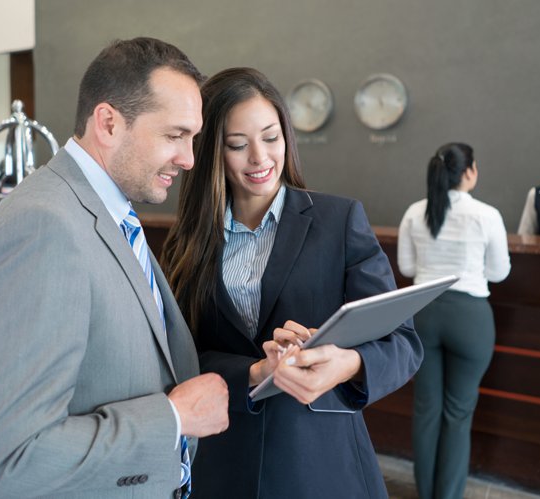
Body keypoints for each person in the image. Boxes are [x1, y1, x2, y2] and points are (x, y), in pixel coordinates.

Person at [0, 38, 229, 498]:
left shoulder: (108, 211)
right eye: (174, 135)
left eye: (192, 138)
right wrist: (173, 418)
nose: (188, 159)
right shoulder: (42, 226)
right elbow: (15, 458)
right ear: (108, 123)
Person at [161, 67, 423, 499]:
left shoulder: (337, 221)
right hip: (226, 461)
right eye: (238, 145)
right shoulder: (187, 244)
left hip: (321, 462)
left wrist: (347, 363)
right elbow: (182, 358)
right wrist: (254, 371)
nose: (260, 158)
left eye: (271, 137)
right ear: (212, 152)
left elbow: (404, 342)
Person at [397, 143, 511, 499]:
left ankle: (425, 492)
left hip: (423, 313)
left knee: (426, 408)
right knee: (458, 413)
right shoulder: (486, 214)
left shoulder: (415, 212)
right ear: (470, 172)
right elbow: (499, 271)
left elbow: (407, 268)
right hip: (470, 318)